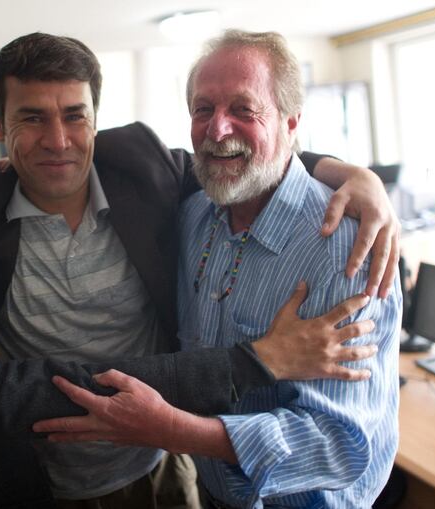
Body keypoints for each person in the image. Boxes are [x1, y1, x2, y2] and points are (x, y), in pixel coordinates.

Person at [0, 32, 398, 507]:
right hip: (39, 481)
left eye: (74, 114)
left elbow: (241, 153)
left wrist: (351, 173)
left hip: (165, 466)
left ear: (96, 117)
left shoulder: (146, 169)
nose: (59, 139)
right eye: (32, 118)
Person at [33, 30, 401, 508]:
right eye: (203, 109)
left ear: (291, 123)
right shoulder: (192, 215)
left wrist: (173, 430)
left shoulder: (342, 249)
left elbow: (340, 447)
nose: (217, 129)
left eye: (244, 110)